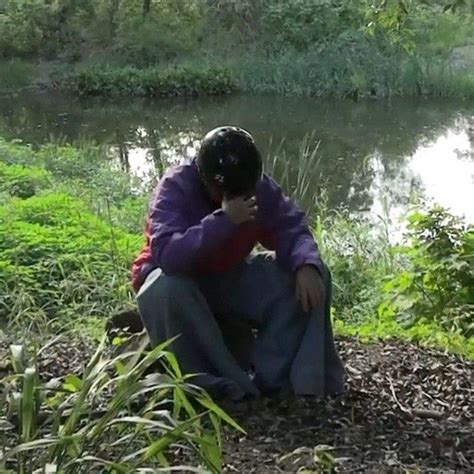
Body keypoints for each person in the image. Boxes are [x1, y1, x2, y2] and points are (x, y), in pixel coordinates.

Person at [132, 126, 344, 401]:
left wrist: (306, 263)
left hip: (229, 276)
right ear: (204, 178)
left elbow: (291, 227)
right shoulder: (175, 186)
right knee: (162, 287)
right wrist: (223, 220)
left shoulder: (258, 188)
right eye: (223, 192)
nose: (233, 197)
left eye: (241, 191)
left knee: (313, 273)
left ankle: (282, 381)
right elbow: (168, 256)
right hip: (182, 286)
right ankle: (213, 385)